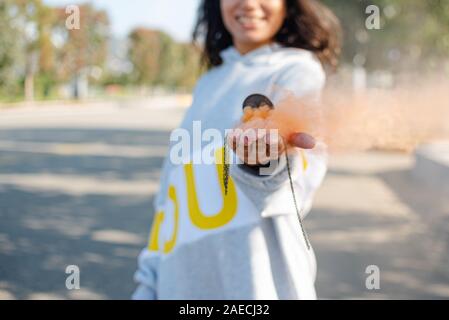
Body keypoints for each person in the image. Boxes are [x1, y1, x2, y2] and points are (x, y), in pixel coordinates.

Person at [133, 0, 341, 300]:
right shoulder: (208, 82)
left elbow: (294, 185)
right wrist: (149, 283)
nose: (248, 3)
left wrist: (262, 160)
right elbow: (170, 200)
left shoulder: (298, 71)